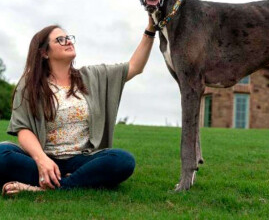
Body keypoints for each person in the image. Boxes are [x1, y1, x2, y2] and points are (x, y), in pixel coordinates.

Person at [0, 16, 156, 196]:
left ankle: (44, 188)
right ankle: (71, 180)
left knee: (123, 160)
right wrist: (42, 160)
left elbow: (135, 67)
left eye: (68, 38)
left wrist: (150, 29)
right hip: (44, 159)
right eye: (60, 40)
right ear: (44, 52)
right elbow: (23, 129)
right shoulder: (30, 84)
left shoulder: (91, 76)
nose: (67, 42)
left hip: (82, 159)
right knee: (2, 154)